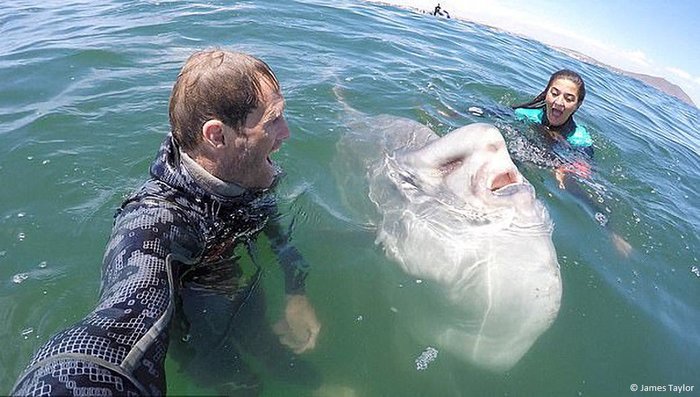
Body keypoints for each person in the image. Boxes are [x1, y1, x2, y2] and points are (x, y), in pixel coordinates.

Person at [11, 49, 321, 396]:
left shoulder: (246, 171)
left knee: (279, 354)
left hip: (237, 292)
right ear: (217, 136)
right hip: (197, 334)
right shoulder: (155, 221)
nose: (287, 132)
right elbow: (115, 333)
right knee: (243, 387)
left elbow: (267, 216)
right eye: (272, 120)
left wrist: (297, 289)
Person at [512, 69, 632, 256]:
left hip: (558, 161)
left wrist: (567, 169)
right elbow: (487, 112)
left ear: (577, 105)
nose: (559, 102)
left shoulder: (580, 139)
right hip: (528, 151)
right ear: (546, 92)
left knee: (571, 186)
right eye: (555, 93)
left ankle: (612, 232)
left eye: (569, 98)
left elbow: (585, 166)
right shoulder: (525, 114)